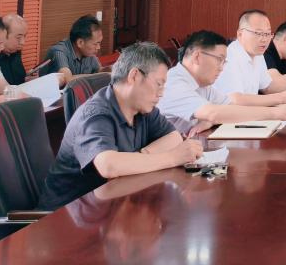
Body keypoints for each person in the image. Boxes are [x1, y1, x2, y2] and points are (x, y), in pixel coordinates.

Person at [37, 42, 203, 210]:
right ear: (134, 76)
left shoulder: (142, 107)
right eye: (159, 84)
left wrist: (140, 156)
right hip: (66, 214)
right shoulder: (95, 114)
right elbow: (108, 165)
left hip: (110, 205)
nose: (161, 93)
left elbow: (173, 137)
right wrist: (173, 158)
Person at [157, 29, 286, 133]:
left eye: (224, 62)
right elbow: (213, 113)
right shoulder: (173, 83)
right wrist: (274, 113)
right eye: (219, 60)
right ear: (197, 57)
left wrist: (211, 120)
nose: (222, 68)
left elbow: (230, 105)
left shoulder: (202, 85)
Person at [212, 11, 286, 105]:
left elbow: (268, 87)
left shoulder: (258, 54)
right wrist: (281, 99)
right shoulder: (229, 56)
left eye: (267, 34)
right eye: (258, 33)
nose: (264, 39)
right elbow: (236, 100)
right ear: (240, 34)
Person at [42, 15, 102, 84]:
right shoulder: (59, 51)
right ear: (80, 42)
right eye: (95, 44)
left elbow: (99, 71)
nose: (98, 47)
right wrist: (96, 76)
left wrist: (109, 70)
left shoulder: (89, 53)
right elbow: (68, 80)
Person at [0, 14, 29, 86]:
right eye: (18, 38)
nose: (23, 42)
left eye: (25, 36)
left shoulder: (16, 52)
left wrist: (27, 80)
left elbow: (19, 82)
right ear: (3, 35)